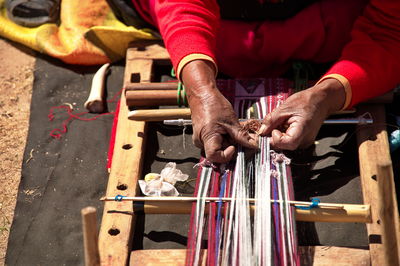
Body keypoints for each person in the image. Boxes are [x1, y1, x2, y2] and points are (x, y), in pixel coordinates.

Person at [125, 0, 400, 163]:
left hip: (336, 25)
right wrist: (201, 91)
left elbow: (390, 27)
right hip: (219, 27)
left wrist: (329, 94)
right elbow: (183, 6)